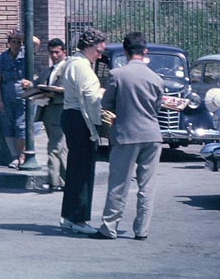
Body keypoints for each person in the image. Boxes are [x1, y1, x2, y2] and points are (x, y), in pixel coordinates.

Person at [94, 32, 164, 241]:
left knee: (119, 183)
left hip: (126, 135)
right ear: (145, 51)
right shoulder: (156, 78)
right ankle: (142, 229)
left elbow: (106, 104)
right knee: (147, 185)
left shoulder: (117, 75)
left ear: (125, 51)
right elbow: (157, 107)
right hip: (152, 135)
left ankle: (110, 226)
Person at [59, 28, 108, 235]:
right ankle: (79, 218)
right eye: (98, 51)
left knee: (74, 169)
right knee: (84, 171)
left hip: (70, 116)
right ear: (88, 46)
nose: (100, 56)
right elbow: (90, 97)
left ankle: (68, 216)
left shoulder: (71, 62)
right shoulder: (83, 67)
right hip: (81, 120)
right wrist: (102, 95)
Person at [0, 29, 31, 167]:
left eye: (19, 42)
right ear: (9, 43)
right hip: (6, 97)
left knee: (21, 127)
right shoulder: (2, 58)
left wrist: (22, 35)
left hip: (23, 97)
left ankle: (22, 155)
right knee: (8, 127)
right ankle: (14, 155)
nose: (16, 45)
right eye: (13, 42)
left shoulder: (26, 55)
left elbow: (36, 42)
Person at [37, 38, 68, 192]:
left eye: (57, 52)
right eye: (51, 53)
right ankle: (64, 180)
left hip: (60, 110)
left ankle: (53, 180)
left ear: (64, 52)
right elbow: (39, 83)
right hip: (48, 112)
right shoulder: (49, 70)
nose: (54, 56)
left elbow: (67, 89)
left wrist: (52, 93)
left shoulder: (67, 69)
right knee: (60, 148)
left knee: (55, 147)